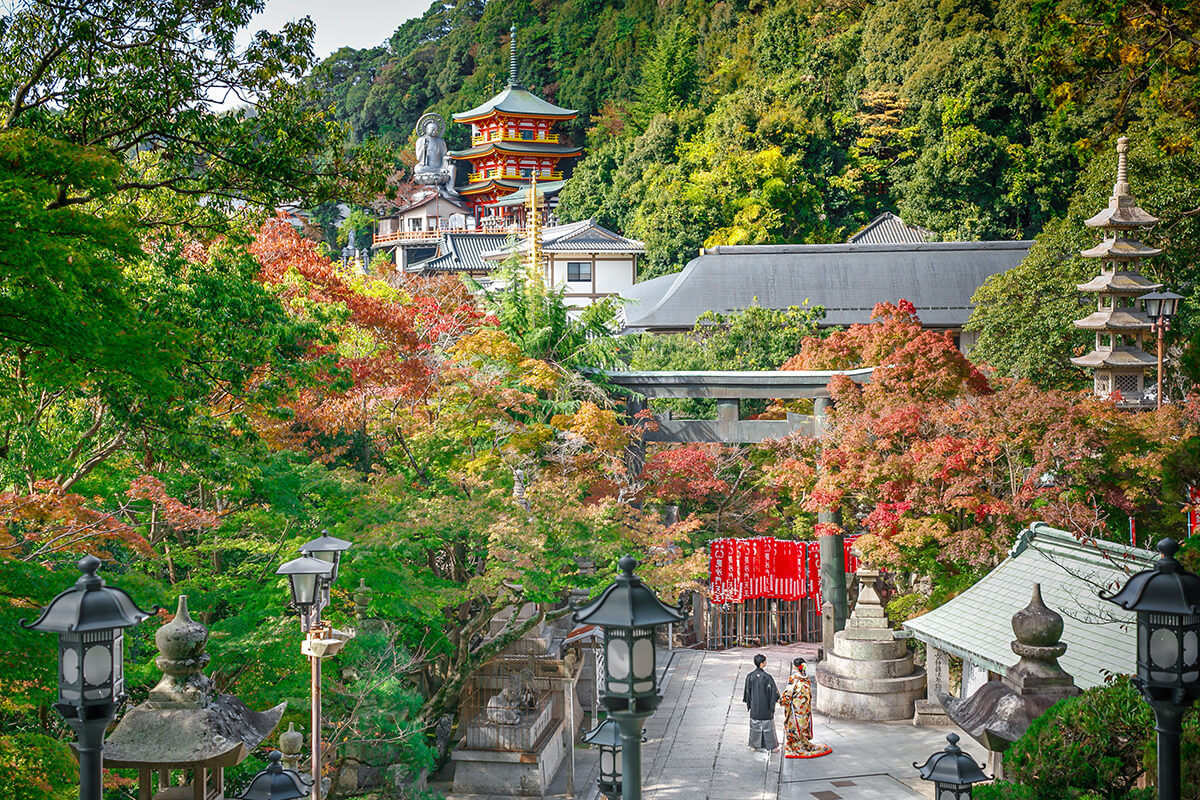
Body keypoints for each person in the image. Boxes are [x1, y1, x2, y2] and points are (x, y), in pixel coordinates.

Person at [778, 657, 832, 759]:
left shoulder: (794, 679)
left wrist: (782, 701)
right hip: (805, 707)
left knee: (796, 726)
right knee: (803, 725)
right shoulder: (805, 678)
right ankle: (803, 743)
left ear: (795, 667)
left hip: (796, 708)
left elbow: (788, 693)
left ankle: (797, 746)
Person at [743, 653, 780, 752]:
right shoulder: (768, 677)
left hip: (755, 706)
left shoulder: (750, 676)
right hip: (766, 707)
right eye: (765, 661)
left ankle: (754, 745)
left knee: (755, 726)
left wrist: (749, 703)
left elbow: (747, 692)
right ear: (762, 664)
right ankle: (772, 747)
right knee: (768, 727)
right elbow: (773, 692)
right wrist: (776, 699)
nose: (766, 663)